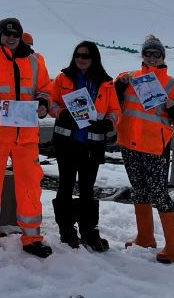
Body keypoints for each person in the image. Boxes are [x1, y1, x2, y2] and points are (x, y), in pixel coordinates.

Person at [0, 17, 54, 257]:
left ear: (20, 35)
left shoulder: (36, 61)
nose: (11, 38)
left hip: (26, 137)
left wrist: (43, 105)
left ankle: (32, 238)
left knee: (30, 187)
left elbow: (46, 89)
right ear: (0, 35)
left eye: (15, 34)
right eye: (6, 34)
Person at [114, 35, 174, 263]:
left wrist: (171, 105)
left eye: (157, 54)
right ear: (143, 55)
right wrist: (120, 84)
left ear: (163, 57)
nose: (152, 58)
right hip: (129, 142)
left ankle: (173, 247)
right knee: (139, 189)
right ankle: (145, 237)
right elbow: (112, 102)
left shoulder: (173, 85)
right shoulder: (129, 78)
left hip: (155, 146)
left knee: (160, 194)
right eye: (148, 53)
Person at [47, 40, 120, 251]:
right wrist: (61, 114)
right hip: (67, 141)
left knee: (88, 189)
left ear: (94, 58)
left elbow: (115, 110)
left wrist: (109, 123)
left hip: (92, 144)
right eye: (78, 55)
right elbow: (51, 102)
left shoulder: (106, 83)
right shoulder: (63, 78)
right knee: (66, 186)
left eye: (85, 56)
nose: (81, 59)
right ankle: (66, 230)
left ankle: (89, 230)